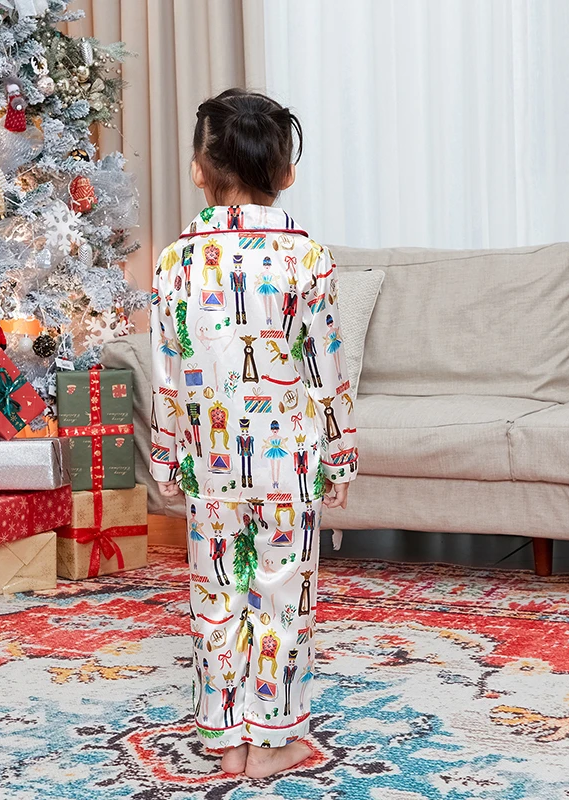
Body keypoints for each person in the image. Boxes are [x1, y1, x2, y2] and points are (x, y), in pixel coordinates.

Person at [150, 88, 357, 780]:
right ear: (286, 174)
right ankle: (274, 741)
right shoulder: (308, 258)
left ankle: (226, 738)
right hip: (288, 463)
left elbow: (168, 374)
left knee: (215, 595)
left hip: (211, 463)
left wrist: (167, 459)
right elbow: (326, 368)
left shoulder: (174, 263)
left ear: (197, 171)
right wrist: (340, 453)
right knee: (283, 594)